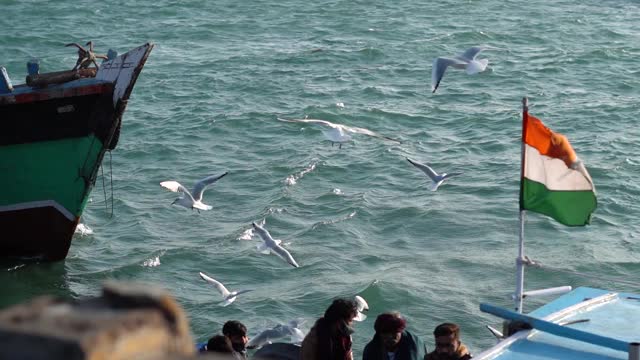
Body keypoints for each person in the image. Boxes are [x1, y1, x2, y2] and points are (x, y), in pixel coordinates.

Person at [362, 312, 427, 360]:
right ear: (379, 334)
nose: (390, 337)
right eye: (385, 334)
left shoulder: (414, 346)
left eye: (394, 333)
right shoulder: (371, 349)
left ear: (400, 331)